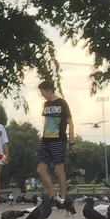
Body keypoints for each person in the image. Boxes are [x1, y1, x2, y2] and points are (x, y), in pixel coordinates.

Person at [34, 78, 73, 208]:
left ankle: (63, 197)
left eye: (42, 92)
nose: (42, 95)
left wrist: (72, 142)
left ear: (49, 90)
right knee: (41, 169)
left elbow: (70, 122)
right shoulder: (45, 105)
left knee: (59, 169)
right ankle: (52, 195)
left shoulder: (62, 103)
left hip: (58, 139)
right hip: (46, 139)